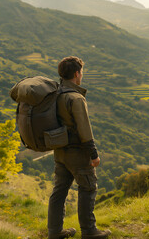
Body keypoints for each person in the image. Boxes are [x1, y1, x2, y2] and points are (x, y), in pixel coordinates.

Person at [48, 56, 111, 239]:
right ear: (76, 74)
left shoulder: (55, 94)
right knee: (88, 188)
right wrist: (94, 154)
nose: (81, 75)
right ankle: (89, 231)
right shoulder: (76, 98)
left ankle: (55, 231)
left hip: (59, 151)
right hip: (77, 153)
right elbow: (85, 130)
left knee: (59, 191)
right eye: (81, 72)